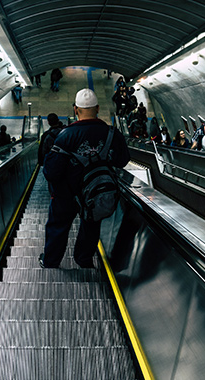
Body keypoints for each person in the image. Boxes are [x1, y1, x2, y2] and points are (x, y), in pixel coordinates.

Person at [41, 88, 130, 269]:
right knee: (91, 226)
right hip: (95, 193)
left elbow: (51, 171)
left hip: (65, 194)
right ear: (97, 108)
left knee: (58, 226)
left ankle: (51, 261)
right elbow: (123, 161)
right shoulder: (112, 134)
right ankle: (84, 260)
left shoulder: (65, 136)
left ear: (75, 109)